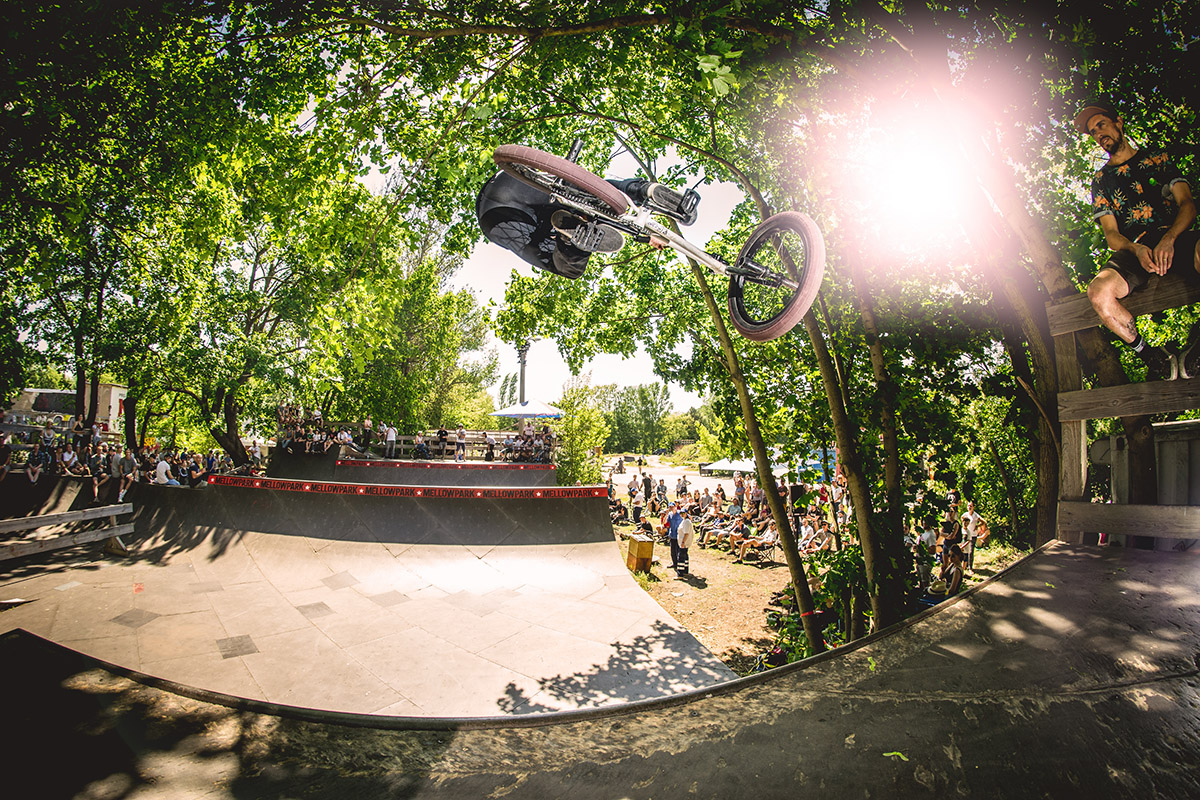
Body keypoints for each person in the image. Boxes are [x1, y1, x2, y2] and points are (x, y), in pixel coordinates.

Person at [1074, 100, 1200, 380]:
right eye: (1093, 132)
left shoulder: (1158, 157)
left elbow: (1188, 205)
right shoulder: (1101, 179)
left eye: (1102, 125)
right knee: (1098, 292)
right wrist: (1136, 247)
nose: (1098, 134)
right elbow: (1111, 234)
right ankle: (1151, 355)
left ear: (1118, 122)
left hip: (1175, 236)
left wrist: (1169, 238)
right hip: (1135, 248)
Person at [675, 509, 694, 576]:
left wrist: (683, 542)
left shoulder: (686, 522)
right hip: (683, 542)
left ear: (686, 513)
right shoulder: (685, 521)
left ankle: (680, 574)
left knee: (681, 557)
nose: (682, 515)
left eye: (683, 513)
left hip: (684, 543)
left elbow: (686, 533)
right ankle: (685, 571)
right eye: (681, 513)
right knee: (685, 556)